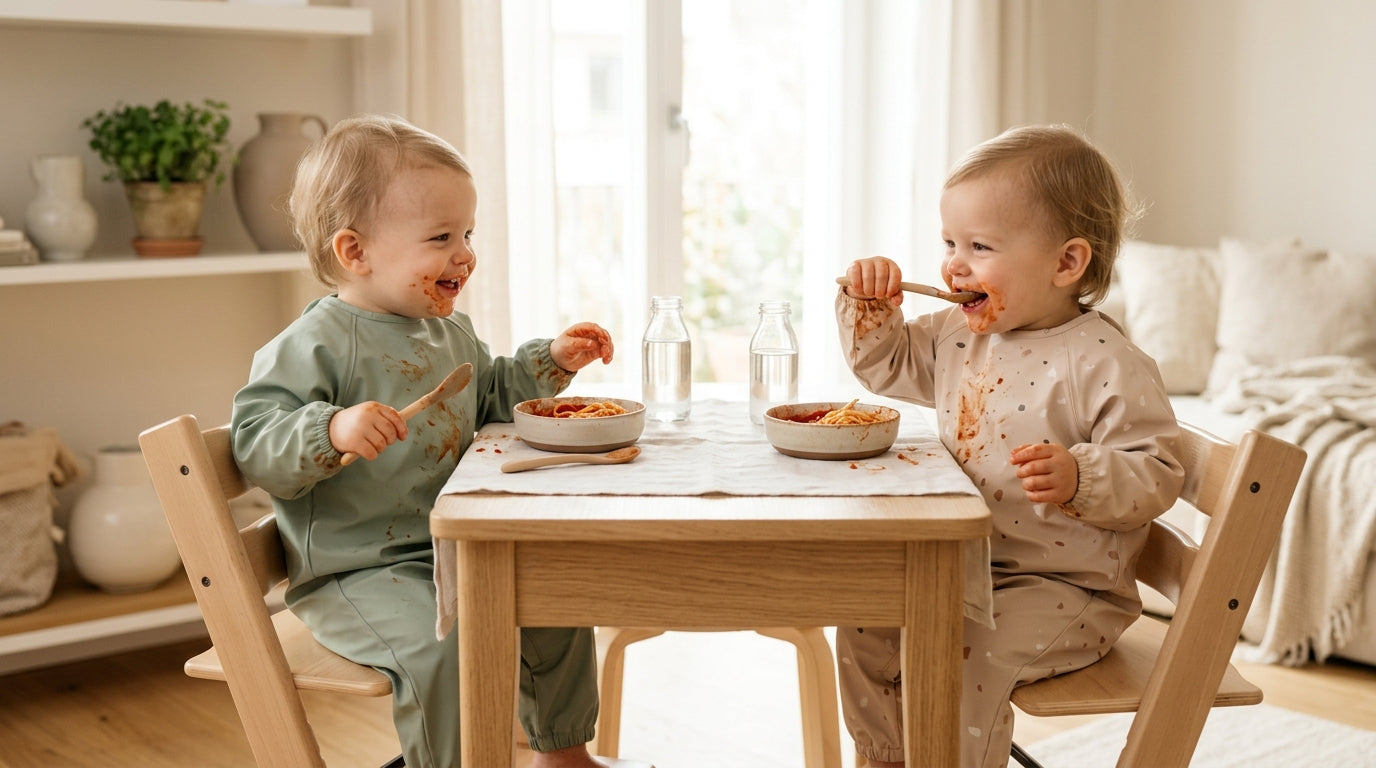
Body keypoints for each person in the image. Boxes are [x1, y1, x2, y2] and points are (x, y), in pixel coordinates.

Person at [231, 114, 617, 768]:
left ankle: (563, 753)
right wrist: (331, 428)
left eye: (467, 234)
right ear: (355, 252)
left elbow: (491, 398)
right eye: (441, 237)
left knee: (555, 598)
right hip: (359, 571)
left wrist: (551, 361)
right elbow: (256, 440)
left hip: (459, 549)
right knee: (446, 647)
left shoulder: (450, 333)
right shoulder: (314, 344)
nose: (464, 254)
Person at [834, 124, 1185, 768]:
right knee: (868, 622)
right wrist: (869, 307)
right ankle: (889, 757)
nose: (953, 264)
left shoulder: (1106, 362)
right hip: (962, 568)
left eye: (980, 246)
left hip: (1066, 590)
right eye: (949, 243)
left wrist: (1082, 477)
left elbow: (1157, 473)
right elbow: (886, 365)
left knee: (963, 653)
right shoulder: (959, 333)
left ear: (1066, 264)